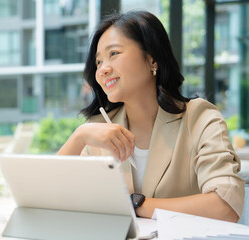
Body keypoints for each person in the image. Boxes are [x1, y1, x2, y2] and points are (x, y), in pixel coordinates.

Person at [57, 11, 244, 222]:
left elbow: (225, 206)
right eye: (98, 62)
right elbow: (49, 199)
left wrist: (135, 204)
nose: (102, 70)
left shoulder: (200, 118)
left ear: (152, 59)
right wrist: (79, 136)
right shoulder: (98, 129)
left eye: (114, 53)